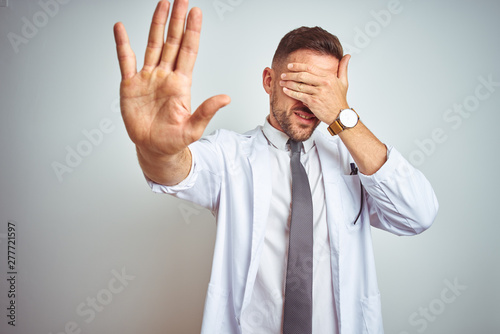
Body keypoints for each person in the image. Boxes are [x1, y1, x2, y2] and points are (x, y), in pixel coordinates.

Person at [113, 0, 438, 333]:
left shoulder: (355, 158)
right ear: (269, 80)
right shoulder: (230, 154)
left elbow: (417, 214)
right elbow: (174, 172)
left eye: (322, 90)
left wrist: (343, 117)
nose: (309, 101)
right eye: (298, 84)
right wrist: (155, 149)